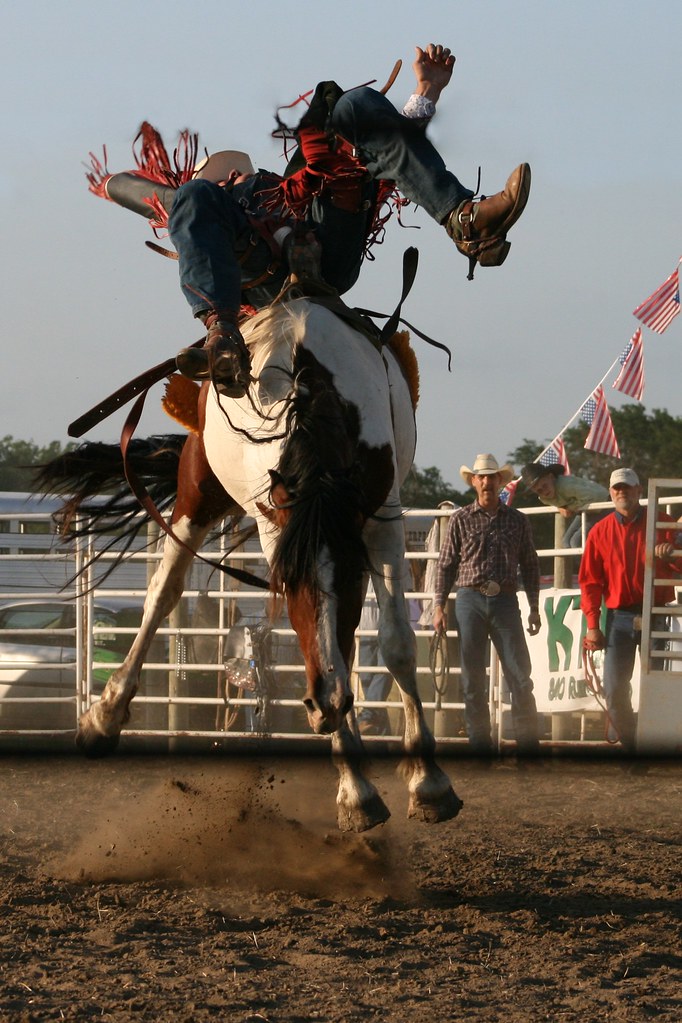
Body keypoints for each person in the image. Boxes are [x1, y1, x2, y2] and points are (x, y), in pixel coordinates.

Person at [88, 44, 531, 397]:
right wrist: (115, 184)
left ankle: (464, 219)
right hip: (260, 280)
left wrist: (426, 94)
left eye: (238, 173)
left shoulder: (291, 184)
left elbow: (378, 155)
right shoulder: (205, 208)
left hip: (324, 248)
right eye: (224, 178)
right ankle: (221, 338)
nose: (235, 179)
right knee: (190, 197)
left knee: (353, 106)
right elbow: (166, 199)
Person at [432, 454, 542, 756]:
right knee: (472, 677)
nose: (486, 482)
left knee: (519, 674)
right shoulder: (460, 519)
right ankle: (479, 747)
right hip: (469, 597)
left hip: (505, 598)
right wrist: (439, 605)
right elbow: (445, 565)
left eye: (491, 477)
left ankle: (528, 748)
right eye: (481, 477)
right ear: (474, 482)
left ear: (499, 482)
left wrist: (534, 606)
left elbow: (530, 565)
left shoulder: (517, 520)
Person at [578, 467, 681, 753]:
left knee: (655, 682)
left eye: (627, 488)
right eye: (617, 489)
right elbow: (590, 582)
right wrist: (592, 624)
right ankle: (631, 744)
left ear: (638, 491)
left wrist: (671, 556)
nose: (622, 492)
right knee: (614, 685)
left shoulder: (664, 522)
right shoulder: (601, 532)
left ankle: (647, 744)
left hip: (655, 611)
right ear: (611, 493)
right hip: (620, 615)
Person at [520, 463, 609, 548]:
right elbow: (559, 503)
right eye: (539, 491)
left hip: (602, 504)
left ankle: (593, 563)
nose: (544, 491)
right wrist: (560, 507)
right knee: (566, 542)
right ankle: (586, 562)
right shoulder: (544, 498)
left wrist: (567, 508)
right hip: (585, 510)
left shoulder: (566, 486)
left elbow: (591, 496)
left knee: (576, 541)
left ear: (551, 477)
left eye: (545, 485)